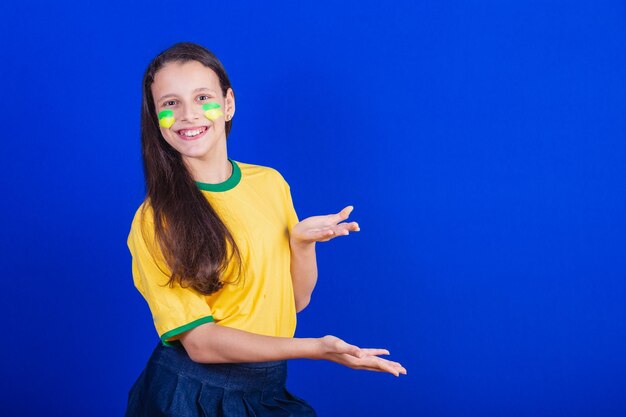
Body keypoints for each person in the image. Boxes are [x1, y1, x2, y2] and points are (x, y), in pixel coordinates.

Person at [125, 42, 406, 417]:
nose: (188, 115)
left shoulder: (270, 183)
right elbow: (202, 344)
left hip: (265, 387)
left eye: (202, 97)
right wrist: (316, 348)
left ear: (228, 104)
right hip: (190, 396)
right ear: (155, 117)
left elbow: (294, 302)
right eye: (170, 103)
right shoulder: (154, 220)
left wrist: (301, 243)